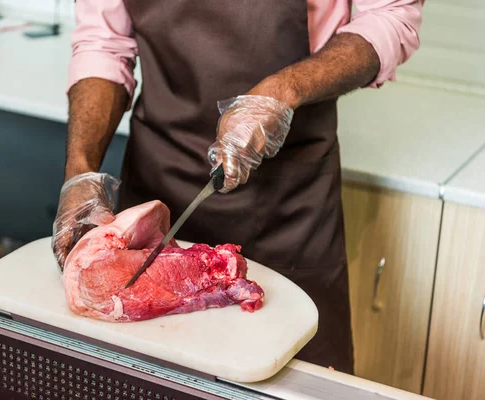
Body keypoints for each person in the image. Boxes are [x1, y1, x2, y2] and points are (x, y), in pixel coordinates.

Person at [52, 0, 424, 373]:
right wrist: (79, 171)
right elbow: (103, 43)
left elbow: (391, 17)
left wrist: (283, 90)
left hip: (290, 200)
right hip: (158, 189)